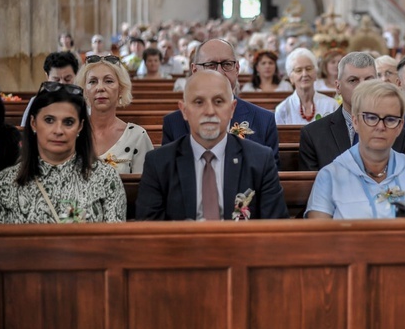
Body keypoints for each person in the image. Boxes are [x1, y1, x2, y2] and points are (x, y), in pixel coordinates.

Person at [136, 70, 289, 221]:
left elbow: (276, 229)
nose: (209, 111)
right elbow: (148, 232)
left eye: (218, 101)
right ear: (184, 110)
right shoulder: (158, 163)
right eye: (198, 102)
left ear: (232, 109)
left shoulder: (260, 160)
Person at [0, 82, 126, 224]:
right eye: (49, 120)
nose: (58, 130)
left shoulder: (106, 179)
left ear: (80, 127)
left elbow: (115, 241)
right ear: (33, 123)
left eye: (68, 122)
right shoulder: (5, 183)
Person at [305, 80, 405, 219]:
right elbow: (319, 237)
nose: (380, 127)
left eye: (390, 119)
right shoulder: (330, 177)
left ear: (400, 126)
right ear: (355, 122)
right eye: (371, 117)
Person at [161, 39, 280, 169]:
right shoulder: (174, 123)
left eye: (227, 64)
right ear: (194, 70)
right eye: (210, 65)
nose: (219, 72)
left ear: (237, 69)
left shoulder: (263, 121)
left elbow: (270, 179)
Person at [299, 52, 405, 171]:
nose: (362, 87)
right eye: (353, 80)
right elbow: (313, 186)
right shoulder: (314, 134)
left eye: (368, 80)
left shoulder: (397, 133)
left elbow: (404, 181)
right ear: (338, 87)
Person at [77, 55, 153, 174]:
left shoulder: (137, 137)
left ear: (121, 89)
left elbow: (146, 188)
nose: (100, 88)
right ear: (85, 90)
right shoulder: (73, 133)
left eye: (108, 81)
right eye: (92, 81)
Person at [274, 48, 338, 125]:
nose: (304, 74)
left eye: (309, 69)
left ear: (315, 73)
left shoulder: (332, 105)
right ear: (291, 78)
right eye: (298, 70)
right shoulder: (282, 110)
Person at [21, 51, 80, 126]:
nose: (62, 83)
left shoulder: (81, 101)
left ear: (75, 76)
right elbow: (24, 130)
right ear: (47, 77)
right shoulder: (36, 101)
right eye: (56, 79)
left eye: (67, 79)